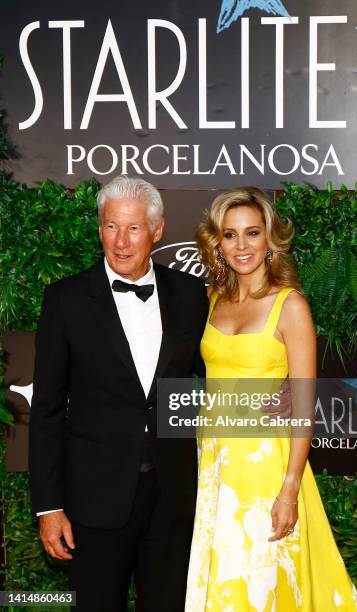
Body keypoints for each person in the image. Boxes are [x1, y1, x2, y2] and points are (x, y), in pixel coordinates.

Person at [29, 176, 209, 612]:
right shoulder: (65, 300)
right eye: (111, 227)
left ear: (158, 231)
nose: (122, 242)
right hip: (95, 499)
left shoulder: (190, 295)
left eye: (133, 228)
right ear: (99, 229)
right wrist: (49, 507)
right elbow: (47, 410)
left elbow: (210, 380)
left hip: (172, 494)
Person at [185, 187, 357, 611]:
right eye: (231, 235)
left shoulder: (291, 307)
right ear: (218, 241)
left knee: (260, 583)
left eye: (253, 233)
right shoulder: (213, 300)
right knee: (220, 584)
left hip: (266, 469)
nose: (242, 245)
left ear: (270, 239)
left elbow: (304, 409)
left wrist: (288, 490)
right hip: (211, 463)